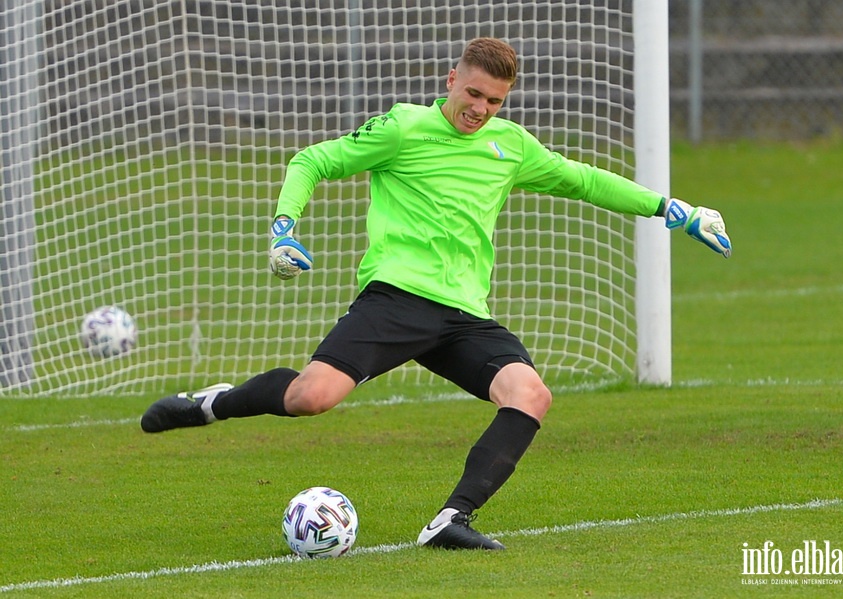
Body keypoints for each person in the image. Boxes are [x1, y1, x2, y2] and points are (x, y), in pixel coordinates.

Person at [141, 37, 731, 551]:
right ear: (452, 80)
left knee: (530, 394)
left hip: (464, 315)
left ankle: (452, 519)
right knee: (310, 398)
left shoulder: (510, 146)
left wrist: (670, 208)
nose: (479, 109)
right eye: (472, 94)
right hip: (396, 298)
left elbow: (583, 179)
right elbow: (311, 161)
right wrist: (284, 227)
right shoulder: (402, 128)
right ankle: (210, 404)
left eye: (494, 101)